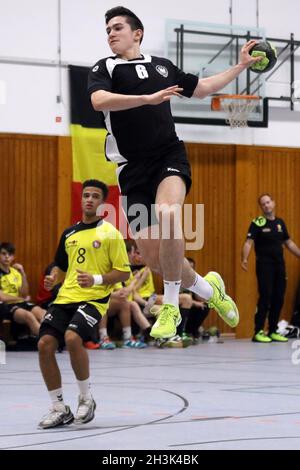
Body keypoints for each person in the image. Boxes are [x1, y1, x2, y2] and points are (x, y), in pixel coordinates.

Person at [88, 7, 261, 339]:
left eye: (118, 27)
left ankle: (170, 306)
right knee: (156, 260)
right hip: (130, 170)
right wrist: (147, 98)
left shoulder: (162, 66)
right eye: (107, 29)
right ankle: (211, 291)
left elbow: (203, 88)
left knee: (169, 213)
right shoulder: (105, 67)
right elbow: (98, 100)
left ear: (137, 33)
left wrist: (240, 66)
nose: (110, 33)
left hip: (168, 155)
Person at [37, 180, 131, 429]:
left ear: (102, 202)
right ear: (82, 200)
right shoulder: (69, 233)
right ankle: (59, 408)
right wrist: (52, 278)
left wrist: (96, 279)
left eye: (95, 196)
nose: (89, 199)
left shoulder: (111, 233)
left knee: (72, 338)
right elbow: (60, 265)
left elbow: (123, 273)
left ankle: (86, 398)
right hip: (65, 297)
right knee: (45, 345)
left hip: (94, 298)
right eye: (86, 195)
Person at [241, 194, 300, 343]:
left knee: (278, 297)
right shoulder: (258, 223)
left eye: (268, 202)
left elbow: (289, 243)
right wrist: (244, 258)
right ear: (261, 207)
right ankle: (258, 331)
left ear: (273, 203)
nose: (266, 205)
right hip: (264, 266)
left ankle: (273, 330)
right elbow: (249, 242)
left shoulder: (280, 223)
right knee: (265, 296)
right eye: (263, 204)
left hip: (279, 265)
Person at [0, 242, 45, 337]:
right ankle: (47, 341)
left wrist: (23, 274)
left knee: (42, 313)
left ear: (13, 257)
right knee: (29, 316)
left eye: (10, 254)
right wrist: (20, 299)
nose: (7, 257)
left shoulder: (15, 272)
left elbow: (24, 294)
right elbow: (2, 297)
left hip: (20, 302)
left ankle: (53, 338)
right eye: (3, 254)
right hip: (6, 307)